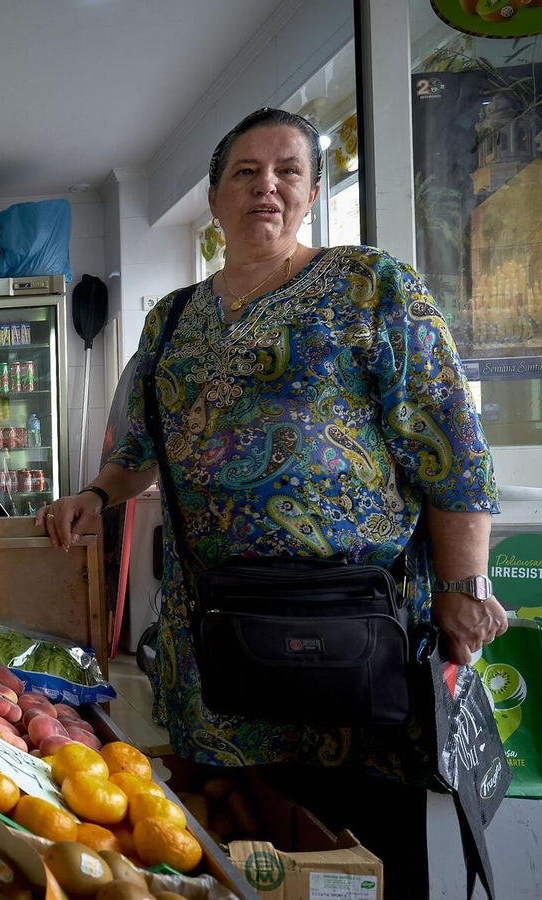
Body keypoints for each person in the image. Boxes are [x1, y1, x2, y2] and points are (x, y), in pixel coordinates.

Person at [38, 107, 504, 897]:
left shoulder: (371, 287)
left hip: (357, 626)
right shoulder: (172, 320)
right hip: (217, 633)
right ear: (215, 198)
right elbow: (140, 449)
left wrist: (464, 585)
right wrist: (94, 495)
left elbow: (451, 446)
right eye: (246, 172)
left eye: (289, 171)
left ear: (314, 192)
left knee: (367, 849)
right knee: (237, 838)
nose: (268, 186)